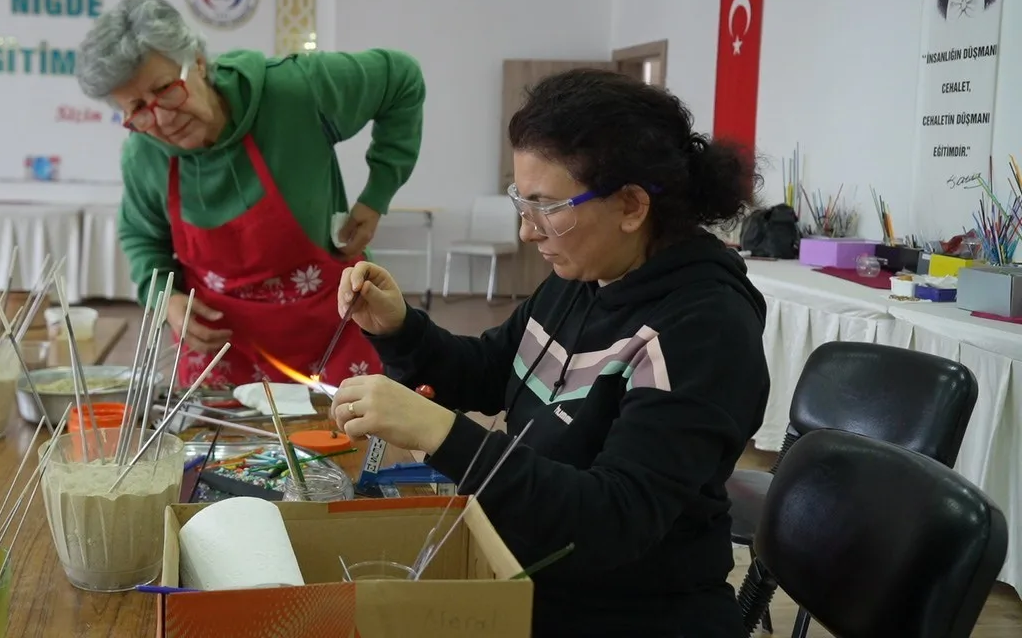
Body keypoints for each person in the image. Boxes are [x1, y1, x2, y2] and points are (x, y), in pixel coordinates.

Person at [328, 69, 769, 637]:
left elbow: (612, 520)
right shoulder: (582, 276)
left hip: (629, 613)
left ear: (631, 205)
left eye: (546, 206)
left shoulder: (704, 330)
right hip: (528, 575)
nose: (528, 231)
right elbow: (490, 370)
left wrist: (443, 434)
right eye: (521, 200)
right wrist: (400, 330)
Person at [75, 0, 425, 387]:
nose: (162, 118)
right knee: (219, 449)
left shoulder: (295, 90)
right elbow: (142, 237)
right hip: (223, 350)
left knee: (344, 441)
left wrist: (376, 196)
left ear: (198, 62)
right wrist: (165, 299)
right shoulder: (144, 154)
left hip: (331, 330)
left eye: (165, 89)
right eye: (137, 108)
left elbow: (402, 80)